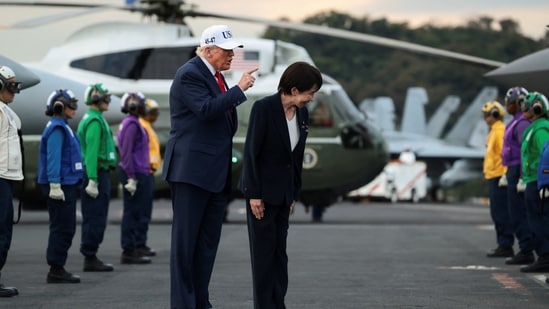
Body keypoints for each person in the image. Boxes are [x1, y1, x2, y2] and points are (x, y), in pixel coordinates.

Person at [162, 24, 257, 309]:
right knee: (186, 244)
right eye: (228, 51)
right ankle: (184, 303)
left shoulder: (215, 76)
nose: (232, 56)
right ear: (209, 50)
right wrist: (239, 89)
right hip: (191, 172)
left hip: (212, 174)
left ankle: (199, 301)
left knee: (205, 246)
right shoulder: (190, 74)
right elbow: (205, 110)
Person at [238, 61, 323, 309]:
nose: (312, 98)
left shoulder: (302, 114)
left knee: (279, 255)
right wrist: (254, 194)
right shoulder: (263, 108)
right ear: (295, 90)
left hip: (284, 195)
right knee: (263, 257)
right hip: (261, 196)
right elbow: (252, 151)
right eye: (310, 92)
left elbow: (296, 157)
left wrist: (294, 192)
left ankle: (278, 304)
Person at [38, 89, 83, 283]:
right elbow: (54, 158)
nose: (73, 108)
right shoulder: (57, 128)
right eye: (70, 104)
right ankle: (56, 269)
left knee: (66, 226)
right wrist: (55, 184)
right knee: (62, 227)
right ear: (59, 106)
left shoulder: (63, 126)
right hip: (61, 185)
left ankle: (58, 267)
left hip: (66, 184)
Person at [77, 83, 118, 272]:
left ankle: (91, 255)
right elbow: (92, 153)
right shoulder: (94, 121)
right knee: (95, 216)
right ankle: (90, 256)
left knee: (96, 215)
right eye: (105, 97)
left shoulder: (96, 118)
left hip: (99, 173)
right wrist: (92, 179)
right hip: (97, 173)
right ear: (95, 98)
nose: (108, 101)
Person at [500, 86, 535, 265]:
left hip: (517, 170)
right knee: (515, 212)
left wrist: (521, 176)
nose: (508, 106)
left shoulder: (521, 123)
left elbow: (524, 150)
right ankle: (525, 248)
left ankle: (526, 249)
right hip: (511, 170)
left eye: (510, 103)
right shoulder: (515, 121)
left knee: (518, 212)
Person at [116, 92, 152, 265]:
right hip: (135, 173)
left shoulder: (134, 123)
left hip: (139, 172)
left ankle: (136, 247)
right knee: (133, 212)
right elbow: (126, 152)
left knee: (138, 211)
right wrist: (131, 177)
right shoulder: (131, 125)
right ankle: (129, 250)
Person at [519, 91, 549, 273]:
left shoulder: (541, 129)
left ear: (536, 107)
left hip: (538, 181)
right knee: (534, 220)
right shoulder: (535, 127)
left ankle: (546, 256)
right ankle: (543, 255)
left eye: (527, 105)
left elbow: (546, 156)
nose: (524, 109)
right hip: (532, 179)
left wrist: (545, 180)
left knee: (540, 220)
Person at [481, 101, 514, 258]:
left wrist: (505, 174)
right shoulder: (493, 131)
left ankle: (505, 245)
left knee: (501, 213)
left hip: (499, 177)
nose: (485, 118)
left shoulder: (500, 131)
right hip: (493, 175)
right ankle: (503, 244)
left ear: (494, 114)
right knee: (497, 212)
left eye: (487, 114)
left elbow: (505, 154)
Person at [0, 65, 22, 297]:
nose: (14, 91)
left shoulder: (4, 111)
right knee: (1, 231)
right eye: (10, 86)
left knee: (4, 229)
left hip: (5, 177)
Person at [137, 98, 161, 257]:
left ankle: (141, 243)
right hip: (142, 172)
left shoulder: (147, 127)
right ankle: (137, 244)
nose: (154, 116)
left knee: (145, 211)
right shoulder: (141, 127)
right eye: (152, 113)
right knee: (139, 211)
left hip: (149, 172)